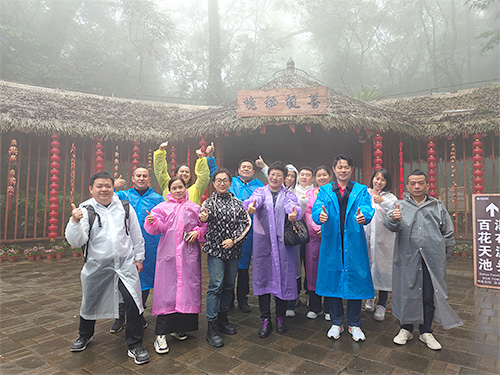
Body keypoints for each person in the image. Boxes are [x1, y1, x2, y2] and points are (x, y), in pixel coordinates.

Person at [65, 172, 150, 365]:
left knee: (133, 301)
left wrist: (139, 258)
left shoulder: (124, 207)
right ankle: (84, 335)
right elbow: (77, 241)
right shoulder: (85, 209)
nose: (104, 189)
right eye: (99, 186)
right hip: (97, 266)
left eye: (108, 186)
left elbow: (136, 234)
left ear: (113, 188)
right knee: (90, 300)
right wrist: (75, 222)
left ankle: (135, 344)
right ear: (91, 189)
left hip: (125, 265)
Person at [384, 170, 462, 350]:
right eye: (413, 183)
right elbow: (390, 225)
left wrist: (443, 257)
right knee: (406, 292)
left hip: (431, 260)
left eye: (421, 183)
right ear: (407, 186)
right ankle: (406, 328)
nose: (417, 186)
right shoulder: (399, 205)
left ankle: (426, 331)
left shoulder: (437, 206)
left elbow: (448, 233)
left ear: (427, 185)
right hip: (407, 258)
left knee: (428, 293)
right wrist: (394, 220)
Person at [312, 154, 374, 342]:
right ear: (334, 170)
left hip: (353, 241)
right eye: (339, 167)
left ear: (351, 170)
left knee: (355, 279)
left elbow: (367, 208)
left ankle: (355, 324)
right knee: (333, 279)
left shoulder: (361, 190)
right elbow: (317, 208)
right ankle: (336, 322)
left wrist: (364, 216)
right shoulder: (325, 190)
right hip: (332, 241)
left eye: (346, 167)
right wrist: (319, 217)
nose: (343, 170)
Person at [143, 177, 206, 355]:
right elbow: (158, 226)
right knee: (167, 292)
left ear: (185, 188)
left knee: (186, 291)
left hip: (188, 256)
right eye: (174, 188)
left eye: (181, 187)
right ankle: (161, 334)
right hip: (169, 256)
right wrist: (152, 222)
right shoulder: (163, 207)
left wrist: (198, 231)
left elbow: (204, 226)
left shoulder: (194, 208)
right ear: (169, 190)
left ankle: (179, 327)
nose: (178, 190)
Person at [243, 161, 302, 338]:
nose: (275, 178)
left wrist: (294, 213)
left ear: (284, 179)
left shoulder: (288, 195)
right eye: (272, 174)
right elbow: (253, 201)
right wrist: (251, 205)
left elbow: (293, 207)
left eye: (279, 175)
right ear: (268, 176)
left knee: (283, 278)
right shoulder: (260, 191)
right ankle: (265, 318)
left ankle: (280, 316)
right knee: (263, 278)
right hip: (264, 244)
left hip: (283, 246)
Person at [200, 169, 251, 348]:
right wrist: (204, 218)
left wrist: (234, 240)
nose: (222, 183)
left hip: (233, 251)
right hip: (215, 251)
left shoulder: (238, 203)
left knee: (229, 286)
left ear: (230, 183)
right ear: (213, 183)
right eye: (218, 180)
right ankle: (211, 327)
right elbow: (202, 217)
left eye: (225, 180)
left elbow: (246, 223)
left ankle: (223, 319)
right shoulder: (209, 202)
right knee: (215, 286)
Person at [110, 167, 164, 333]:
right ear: (132, 178)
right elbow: (101, 199)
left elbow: (164, 218)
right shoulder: (123, 195)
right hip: (125, 245)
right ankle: (120, 316)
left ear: (149, 179)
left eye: (145, 176)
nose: (141, 178)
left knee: (144, 280)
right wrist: (113, 185)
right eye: (138, 175)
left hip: (149, 246)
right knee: (122, 280)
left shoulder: (157, 198)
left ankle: (139, 313)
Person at [228, 159, 264, 313]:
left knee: (243, 267)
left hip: (249, 230)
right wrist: (209, 159)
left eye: (249, 167)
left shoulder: (259, 186)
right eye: (244, 167)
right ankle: (228, 300)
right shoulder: (231, 182)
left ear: (253, 171)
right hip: (228, 229)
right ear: (238, 169)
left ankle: (243, 299)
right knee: (228, 266)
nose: (246, 169)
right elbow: (214, 175)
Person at [363, 169, 397, 322]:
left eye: (383, 180)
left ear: (387, 182)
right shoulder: (365, 192)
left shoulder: (390, 197)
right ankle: (369, 297)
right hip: (365, 237)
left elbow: (396, 210)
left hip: (383, 239)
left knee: (383, 269)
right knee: (366, 266)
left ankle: (382, 303)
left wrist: (382, 202)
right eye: (377, 178)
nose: (379, 182)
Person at [304, 166, 332, 320]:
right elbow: (308, 213)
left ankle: (329, 307)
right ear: (315, 178)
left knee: (328, 269)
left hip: (330, 238)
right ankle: (315, 306)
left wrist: (326, 229)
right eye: (319, 175)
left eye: (324, 174)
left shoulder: (334, 192)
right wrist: (317, 228)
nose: (321, 177)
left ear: (330, 176)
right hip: (313, 238)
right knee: (312, 269)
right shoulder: (309, 194)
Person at [283, 164, 302, 318]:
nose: (289, 179)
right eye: (287, 175)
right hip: (278, 236)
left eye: (292, 177)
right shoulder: (274, 191)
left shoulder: (298, 192)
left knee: (293, 267)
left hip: (293, 236)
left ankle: (292, 301)